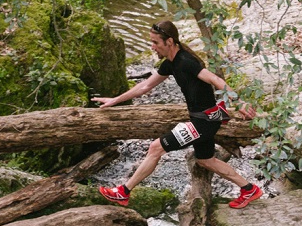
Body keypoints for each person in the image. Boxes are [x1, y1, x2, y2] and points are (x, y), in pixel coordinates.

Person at [93, 20, 263, 209]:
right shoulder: (170, 64)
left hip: (204, 122)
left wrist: (238, 101)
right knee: (206, 160)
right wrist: (115, 100)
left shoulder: (186, 61)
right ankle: (249, 189)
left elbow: (215, 79)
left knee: (156, 148)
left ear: (170, 42)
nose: (152, 46)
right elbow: (146, 86)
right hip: (202, 120)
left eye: (156, 42)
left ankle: (123, 192)